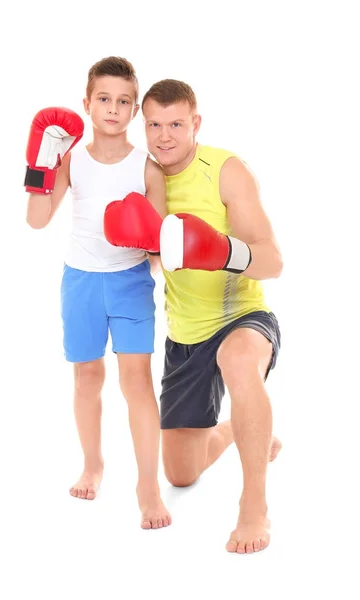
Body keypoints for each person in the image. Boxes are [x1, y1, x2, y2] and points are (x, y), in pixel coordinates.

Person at [104, 79, 283, 552]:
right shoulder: (143, 177)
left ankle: (254, 506)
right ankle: (242, 433)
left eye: (177, 125)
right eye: (156, 126)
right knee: (180, 474)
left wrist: (220, 250)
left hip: (241, 315)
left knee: (241, 361)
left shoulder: (225, 170)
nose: (165, 136)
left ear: (195, 123)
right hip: (184, 337)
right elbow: (155, 258)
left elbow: (274, 261)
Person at [25, 57, 171, 530]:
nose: (113, 108)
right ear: (86, 104)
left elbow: (160, 250)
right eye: (104, 99)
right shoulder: (74, 160)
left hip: (129, 283)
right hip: (81, 282)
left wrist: (145, 239)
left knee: (137, 383)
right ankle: (93, 464)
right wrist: (40, 166)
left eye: (123, 101)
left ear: (134, 110)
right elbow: (37, 218)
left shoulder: (148, 169)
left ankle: (148, 485)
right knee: (87, 378)